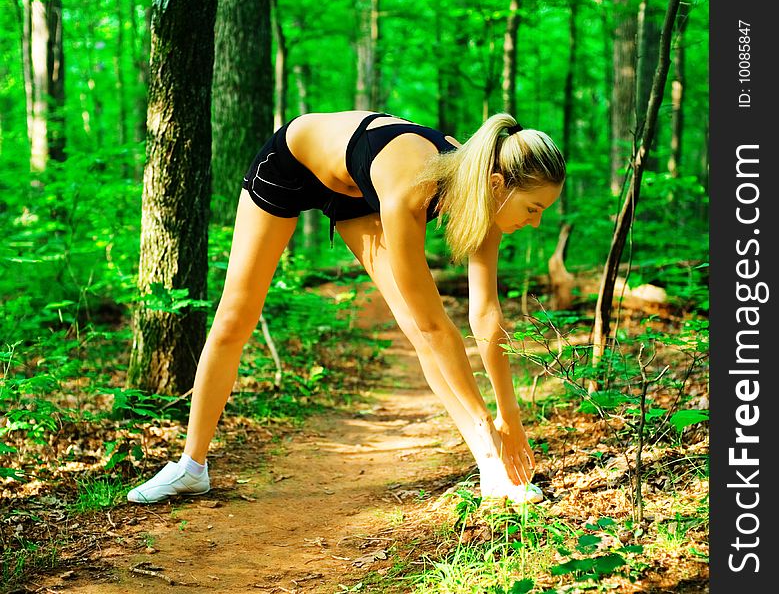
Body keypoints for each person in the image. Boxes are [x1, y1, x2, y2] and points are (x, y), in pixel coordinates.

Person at [127, 110, 565, 505]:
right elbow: (435, 325)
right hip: (292, 164)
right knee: (234, 318)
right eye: (534, 207)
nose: (536, 221)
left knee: (414, 326)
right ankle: (191, 467)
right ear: (497, 186)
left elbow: (486, 316)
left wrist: (512, 422)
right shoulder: (412, 189)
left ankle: (490, 467)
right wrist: (492, 424)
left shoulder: (482, 192)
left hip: (356, 188)